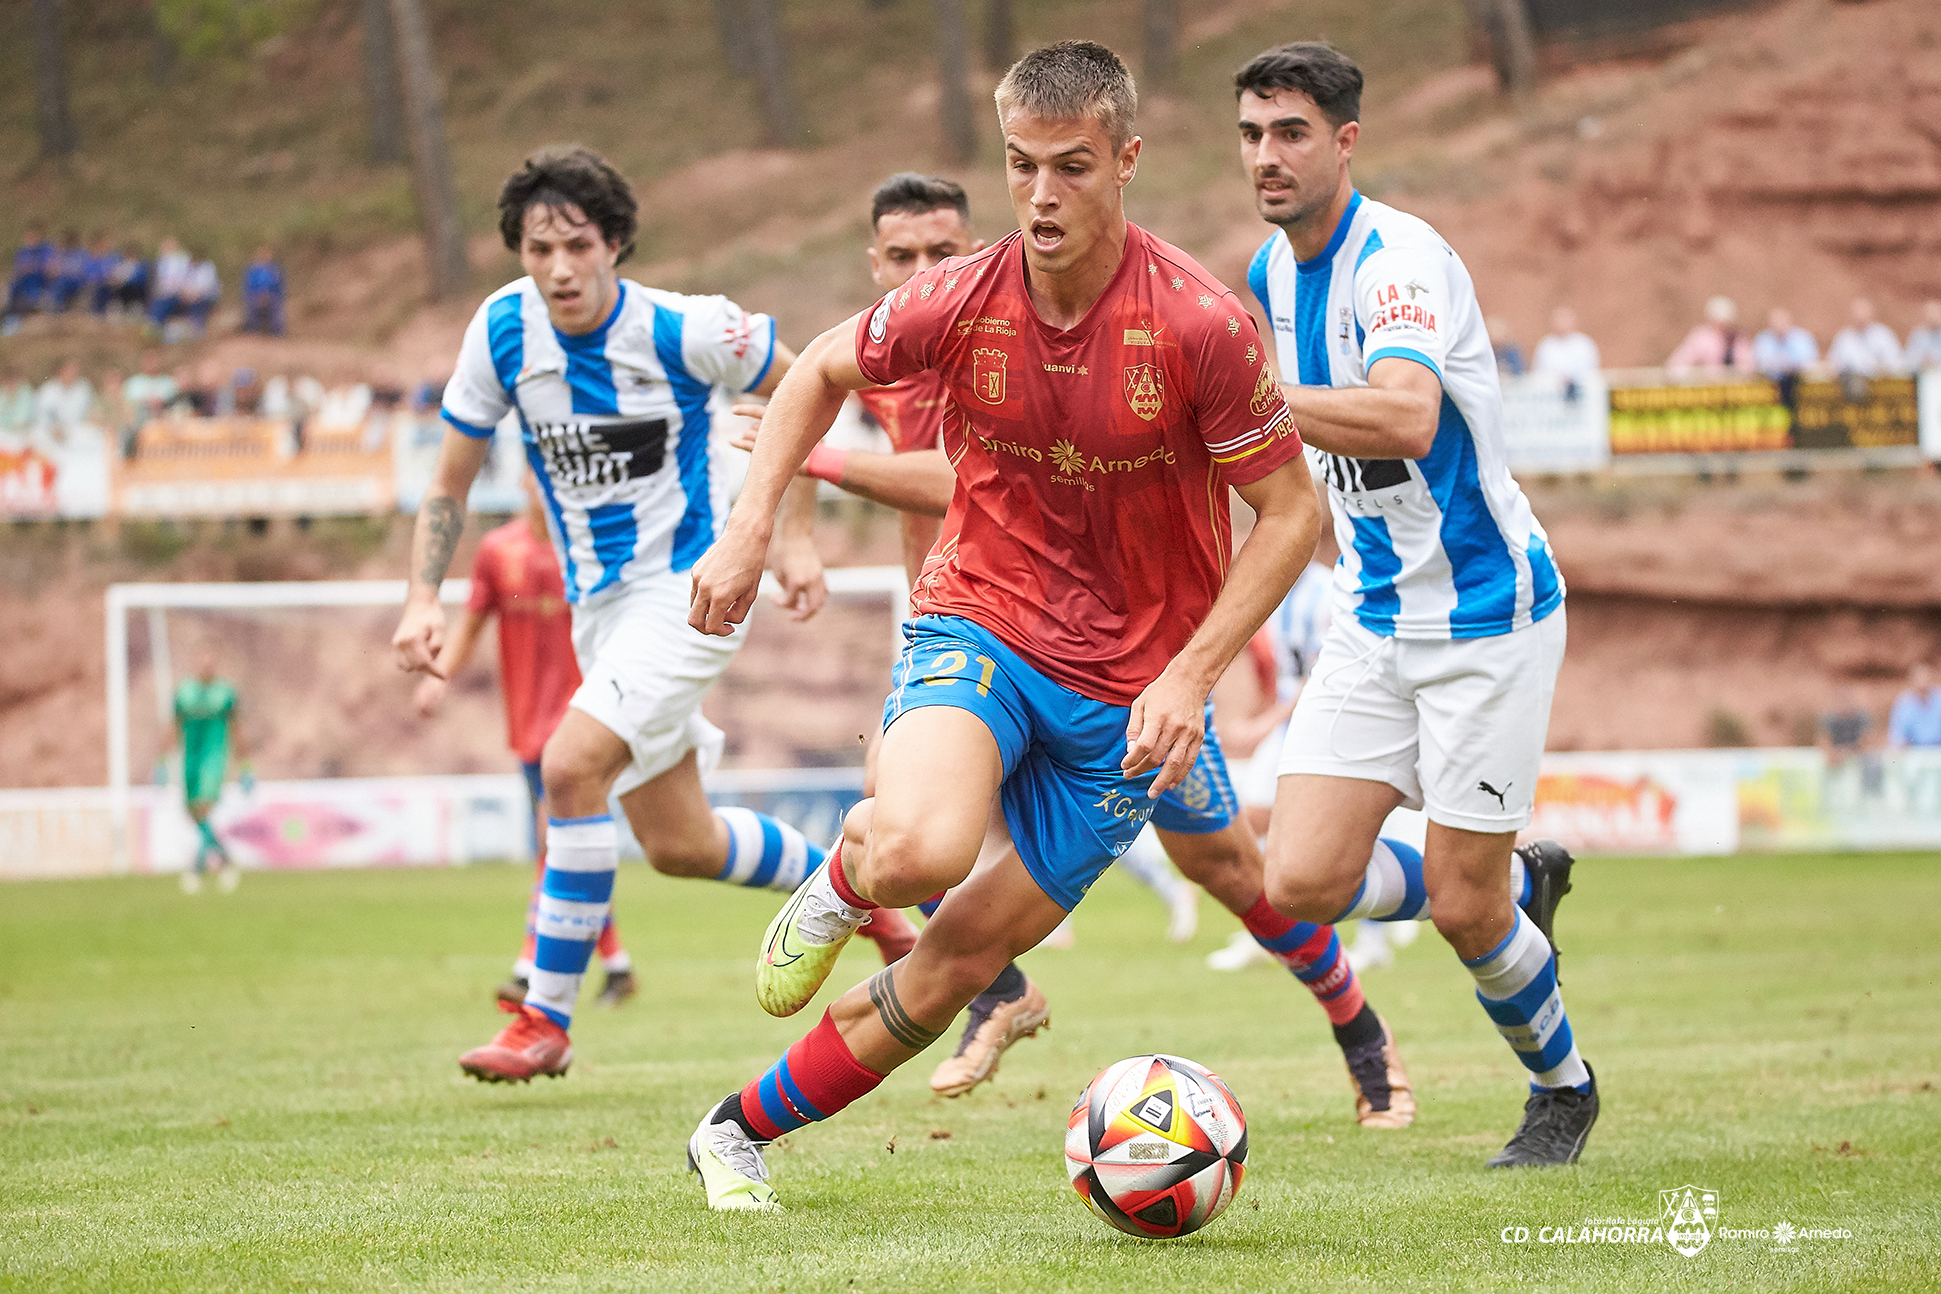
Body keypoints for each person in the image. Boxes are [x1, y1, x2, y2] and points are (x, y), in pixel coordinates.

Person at [685, 41, 1334, 1212]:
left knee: (958, 968)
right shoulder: (962, 296)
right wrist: (748, 527)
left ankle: (732, 1133)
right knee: (923, 850)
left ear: (1126, 160)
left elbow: (1290, 514)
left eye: (1071, 167)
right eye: (1021, 166)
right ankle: (848, 876)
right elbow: (819, 368)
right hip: (984, 623)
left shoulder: (1200, 324)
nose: (1040, 195)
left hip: (1129, 701)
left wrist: (1191, 673)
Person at [732, 168, 1416, 1118]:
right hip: (972, 634)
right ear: (875, 263)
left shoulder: (1027, 329)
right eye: (902, 257)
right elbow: (792, 385)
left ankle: (1359, 1030)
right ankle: (993, 992)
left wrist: (827, 466)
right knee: (903, 819)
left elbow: (939, 480)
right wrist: (785, 529)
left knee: (1223, 865)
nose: (924, 268)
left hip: (1131, 664)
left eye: (942, 251)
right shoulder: (912, 339)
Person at [392, 144, 893, 1085]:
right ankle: (866, 893)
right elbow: (449, 480)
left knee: (569, 766)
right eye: (537, 249)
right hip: (603, 612)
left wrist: (789, 537)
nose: (558, 268)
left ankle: (545, 1019)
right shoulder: (502, 333)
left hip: (693, 588)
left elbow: (805, 391)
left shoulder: (687, 329)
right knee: (681, 844)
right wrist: (422, 594)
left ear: (615, 243)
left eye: (576, 244)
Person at [1235, 41, 1592, 1169]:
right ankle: (1516, 879)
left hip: (1489, 615)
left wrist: (1237, 398)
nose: (1267, 156)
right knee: (1293, 881)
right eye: (1250, 134)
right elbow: (1295, 443)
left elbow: (1404, 419)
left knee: (1464, 912)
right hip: (1376, 614)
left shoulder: (1398, 261)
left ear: (1346, 140)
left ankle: (1562, 1090)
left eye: (1291, 132)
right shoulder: (1265, 274)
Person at [415, 470, 639, 1010]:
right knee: (566, 845)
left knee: (554, 840)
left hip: (584, 721)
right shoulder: (498, 551)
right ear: (525, 481)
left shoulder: (590, 551)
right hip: (527, 724)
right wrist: (436, 676)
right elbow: (470, 625)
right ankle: (617, 964)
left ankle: (528, 967)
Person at [162, 650, 251, 895]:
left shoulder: (226, 693)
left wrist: (246, 765)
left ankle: (196, 870)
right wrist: (161, 759)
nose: (206, 667)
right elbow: (173, 725)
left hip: (214, 759)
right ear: (195, 664)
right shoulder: (184, 692)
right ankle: (225, 861)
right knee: (193, 813)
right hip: (189, 759)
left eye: (211, 662)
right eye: (202, 662)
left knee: (203, 808)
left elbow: (237, 728)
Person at [1666, 295, 1749, 373]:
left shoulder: (1737, 340)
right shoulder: (1700, 339)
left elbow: (1749, 364)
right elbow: (1677, 365)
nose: (1723, 325)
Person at [1530, 307, 1599, 398]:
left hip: (1581, 395)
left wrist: (1571, 379)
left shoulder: (1583, 343)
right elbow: (1539, 370)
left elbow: (1590, 369)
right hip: (1552, 396)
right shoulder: (1546, 345)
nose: (1562, 323)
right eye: (1559, 320)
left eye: (1565, 319)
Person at [1827, 298, 1904, 378]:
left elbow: (1896, 362)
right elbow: (1833, 365)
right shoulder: (1844, 338)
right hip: (1849, 384)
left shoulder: (1883, 336)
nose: (1860, 319)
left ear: (1871, 315)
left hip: (1880, 384)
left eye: (1863, 316)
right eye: (1857, 316)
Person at [33, 359, 95, 443]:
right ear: (61, 371)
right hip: (53, 432)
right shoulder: (48, 390)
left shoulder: (84, 388)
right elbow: (42, 416)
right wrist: (53, 429)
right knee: (37, 435)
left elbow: (91, 411)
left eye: (75, 370)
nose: (73, 373)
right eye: (69, 370)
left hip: (78, 431)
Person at [1888, 663, 1941, 749]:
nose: (1923, 684)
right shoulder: (1904, 704)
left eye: (1926, 679)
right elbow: (1897, 737)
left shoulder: (1939, 700)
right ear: (1912, 682)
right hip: (1914, 753)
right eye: (1919, 680)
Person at [7, 225, 53, 321]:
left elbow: (50, 271)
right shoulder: (22, 253)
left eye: (34, 236)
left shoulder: (46, 252)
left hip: (40, 288)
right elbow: (15, 274)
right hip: (22, 288)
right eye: (29, 236)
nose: (31, 240)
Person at [149, 237, 192, 332]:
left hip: (177, 292)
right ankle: (155, 327)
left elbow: (181, 279)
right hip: (162, 292)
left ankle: (156, 327)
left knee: (162, 302)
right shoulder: (161, 261)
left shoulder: (182, 260)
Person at [242, 245, 287, 336]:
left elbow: (280, 285)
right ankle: (253, 332)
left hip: (272, 296)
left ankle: (276, 334)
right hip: (255, 295)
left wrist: (271, 295)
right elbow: (248, 285)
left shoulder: (275, 269)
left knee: (276, 311)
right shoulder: (252, 269)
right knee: (252, 309)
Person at [1904, 301, 1941, 371]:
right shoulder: (1918, 335)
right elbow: (1908, 360)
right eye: (1930, 315)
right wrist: (1923, 363)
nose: (1933, 319)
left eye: (1936, 315)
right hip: (1922, 375)